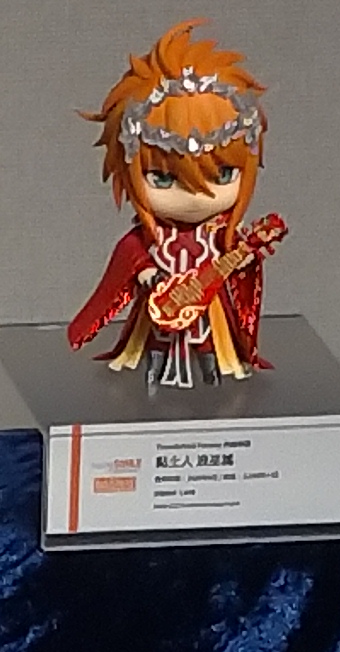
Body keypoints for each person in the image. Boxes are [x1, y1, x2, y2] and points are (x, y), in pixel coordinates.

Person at [66, 20, 282, 386]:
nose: (195, 195)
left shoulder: (218, 233)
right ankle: (153, 374)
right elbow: (130, 254)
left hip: (206, 303)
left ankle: (212, 376)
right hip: (160, 303)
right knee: (155, 340)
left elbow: (238, 263)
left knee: (209, 341)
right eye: (163, 179)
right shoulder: (154, 235)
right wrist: (147, 273)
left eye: (222, 174)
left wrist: (245, 258)